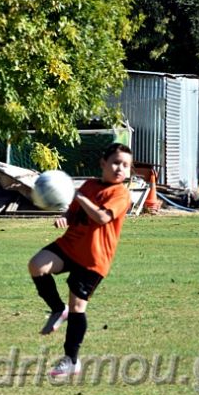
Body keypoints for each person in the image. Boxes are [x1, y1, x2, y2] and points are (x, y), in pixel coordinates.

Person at [28, 143, 133, 377]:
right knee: (36, 265)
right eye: (116, 163)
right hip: (70, 245)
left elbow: (102, 218)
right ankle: (58, 310)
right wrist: (65, 217)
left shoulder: (121, 194)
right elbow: (73, 211)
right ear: (103, 163)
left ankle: (71, 360)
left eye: (126, 165)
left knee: (78, 306)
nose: (120, 168)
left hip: (94, 258)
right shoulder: (89, 185)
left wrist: (80, 197)